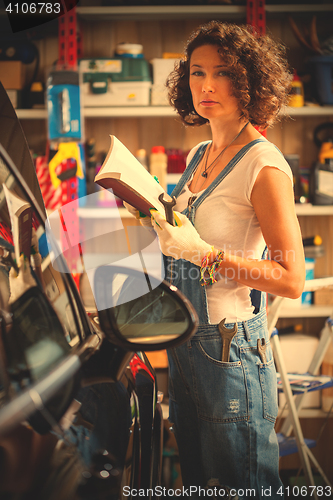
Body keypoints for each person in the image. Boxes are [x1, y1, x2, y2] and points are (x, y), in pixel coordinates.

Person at [126, 21, 305, 499]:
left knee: (242, 486)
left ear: (248, 82)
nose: (206, 85)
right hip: (187, 344)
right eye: (196, 72)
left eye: (222, 73)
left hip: (229, 351)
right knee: (203, 484)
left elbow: (291, 279)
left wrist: (206, 254)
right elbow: (184, 236)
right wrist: (152, 216)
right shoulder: (203, 153)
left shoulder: (263, 165)